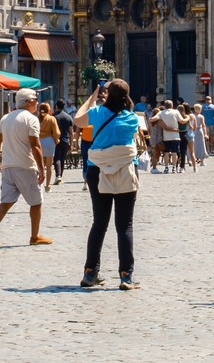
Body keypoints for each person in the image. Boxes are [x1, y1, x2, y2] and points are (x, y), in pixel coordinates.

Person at [76, 79, 141, 289]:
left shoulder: (97, 113)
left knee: (99, 223)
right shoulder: (132, 118)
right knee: (125, 226)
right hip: (124, 169)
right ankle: (126, 276)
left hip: (98, 170)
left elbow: (78, 120)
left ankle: (90, 272)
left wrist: (92, 97)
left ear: (107, 94)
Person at [0, 88, 51, 247]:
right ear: (28, 101)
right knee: (36, 202)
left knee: (6, 201)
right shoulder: (31, 119)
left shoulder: (6, 118)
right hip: (26, 165)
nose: (37, 102)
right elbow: (35, 146)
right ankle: (34, 236)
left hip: (8, 166)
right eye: (35, 99)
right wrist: (42, 169)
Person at [55, 100, 76, 183]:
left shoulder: (53, 116)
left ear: (56, 106)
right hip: (66, 140)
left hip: (56, 140)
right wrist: (71, 144)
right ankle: (60, 176)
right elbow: (71, 132)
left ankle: (58, 175)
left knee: (57, 158)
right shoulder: (68, 117)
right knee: (62, 158)